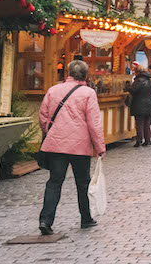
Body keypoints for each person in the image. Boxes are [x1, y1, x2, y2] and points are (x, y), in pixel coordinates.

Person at [38, 60, 106, 234]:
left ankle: (46, 220)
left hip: (56, 146)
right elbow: (94, 123)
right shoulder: (88, 93)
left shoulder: (53, 90)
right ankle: (85, 218)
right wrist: (100, 146)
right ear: (85, 74)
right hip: (80, 147)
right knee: (82, 182)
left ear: (68, 73)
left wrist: (51, 132)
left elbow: (43, 116)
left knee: (54, 183)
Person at [126, 62, 151, 148]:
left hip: (139, 104)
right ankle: (147, 139)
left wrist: (128, 87)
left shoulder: (138, 80)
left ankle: (139, 140)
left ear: (137, 72)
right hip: (149, 104)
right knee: (146, 122)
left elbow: (133, 91)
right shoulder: (148, 80)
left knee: (139, 123)